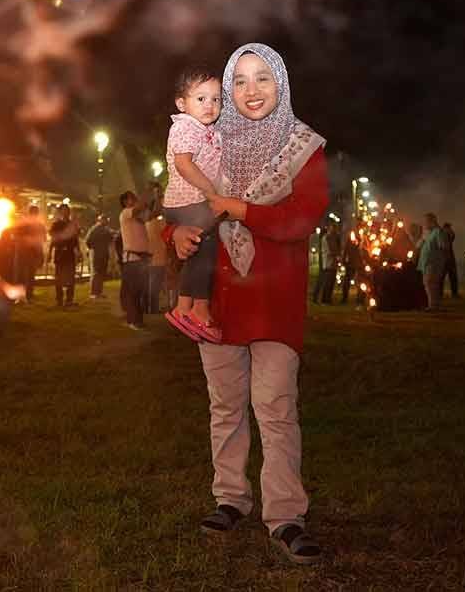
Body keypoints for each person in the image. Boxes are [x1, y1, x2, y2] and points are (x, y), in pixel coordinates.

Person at [165, 44, 328, 565]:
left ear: (281, 83)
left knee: (275, 408)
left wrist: (242, 210)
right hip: (219, 300)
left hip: (275, 301)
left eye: (263, 78)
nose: (251, 90)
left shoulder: (301, 147)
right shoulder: (211, 142)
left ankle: (285, 516)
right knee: (226, 406)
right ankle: (230, 498)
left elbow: (303, 218)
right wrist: (175, 236)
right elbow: (181, 204)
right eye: (239, 80)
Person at [161, 66, 224, 343]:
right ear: (181, 104)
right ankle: (197, 307)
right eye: (201, 98)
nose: (210, 105)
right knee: (206, 251)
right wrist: (211, 193)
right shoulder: (185, 126)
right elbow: (183, 164)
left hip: (191, 201)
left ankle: (184, 306)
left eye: (216, 99)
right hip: (186, 200)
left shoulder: (208, 129)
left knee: (200, 252)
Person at [118, 191, 151, 330]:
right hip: (132, 258)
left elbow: (154, 213)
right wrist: (149, 192)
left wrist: (156, 196)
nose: (135, 199)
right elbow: (141, 206)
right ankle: (133, 320)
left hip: (142, 258)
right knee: (133, 292)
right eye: (132, 198)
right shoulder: (125, 213)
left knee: (139, 291)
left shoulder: (138, 216)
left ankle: (137, 319)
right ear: (125, 202)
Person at [48, 204, 80, 307]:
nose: (66, 212)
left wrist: (79, 251)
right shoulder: (56, 224)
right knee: (59, 277)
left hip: (69, 253)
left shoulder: (72, 224)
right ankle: (59, 299)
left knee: (70, 277)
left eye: (67, 211)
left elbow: (75, 239)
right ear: (61, 212)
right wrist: (49, 252)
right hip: (60, 253)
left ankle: (69, 300)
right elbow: (53, 239)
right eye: (64, 210)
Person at [417, 213, 447, 311]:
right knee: (428, 284)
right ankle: (434, 304)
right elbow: (418, 245)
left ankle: (433, 305)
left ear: (431, 221)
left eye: (425, 221)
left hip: (434, 263)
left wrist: (440, 262)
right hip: (426, 263)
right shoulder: (428, 233)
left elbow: (443, 247)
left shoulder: (438, 232)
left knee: (430, 283)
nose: (424, 224)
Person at [85, 214, 115, 299]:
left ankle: (99, 292)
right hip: (97, 254)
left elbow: (111, 238)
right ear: (100, 220)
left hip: (103, 254)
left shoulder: (105, 229)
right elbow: (88, 241)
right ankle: (94, 292)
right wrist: (93, 249)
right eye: (104, 220)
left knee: (101, 273)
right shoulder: (95, 229)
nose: (106, 221)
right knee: (96, 273)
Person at [311, 222, 341, 304]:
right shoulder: (327, 238)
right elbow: (331, 250)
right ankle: (323, 298)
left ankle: (326, 298)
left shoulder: (334, 237)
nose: (334, 230)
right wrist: (337, 255)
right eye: (333, 228)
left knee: (329, 282)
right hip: (328, 263)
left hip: (331, 263)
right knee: (326, 282)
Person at [146, 212, 168, 314]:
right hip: (159, 259)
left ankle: (150, 307)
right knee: (155, 286)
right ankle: (153, 308)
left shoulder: (147, 224)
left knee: (152, 285)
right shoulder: (158, 223)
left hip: (150, 259)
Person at [441, 222, 459, 299]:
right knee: (444, 277)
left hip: (448, 259)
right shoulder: (442, 235)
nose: (450, 229)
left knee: (451, 276)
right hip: (446, 259)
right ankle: (442, 293)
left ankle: (454, 293)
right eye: (449, 227)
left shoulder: (446, 235)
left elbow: (453, 236)